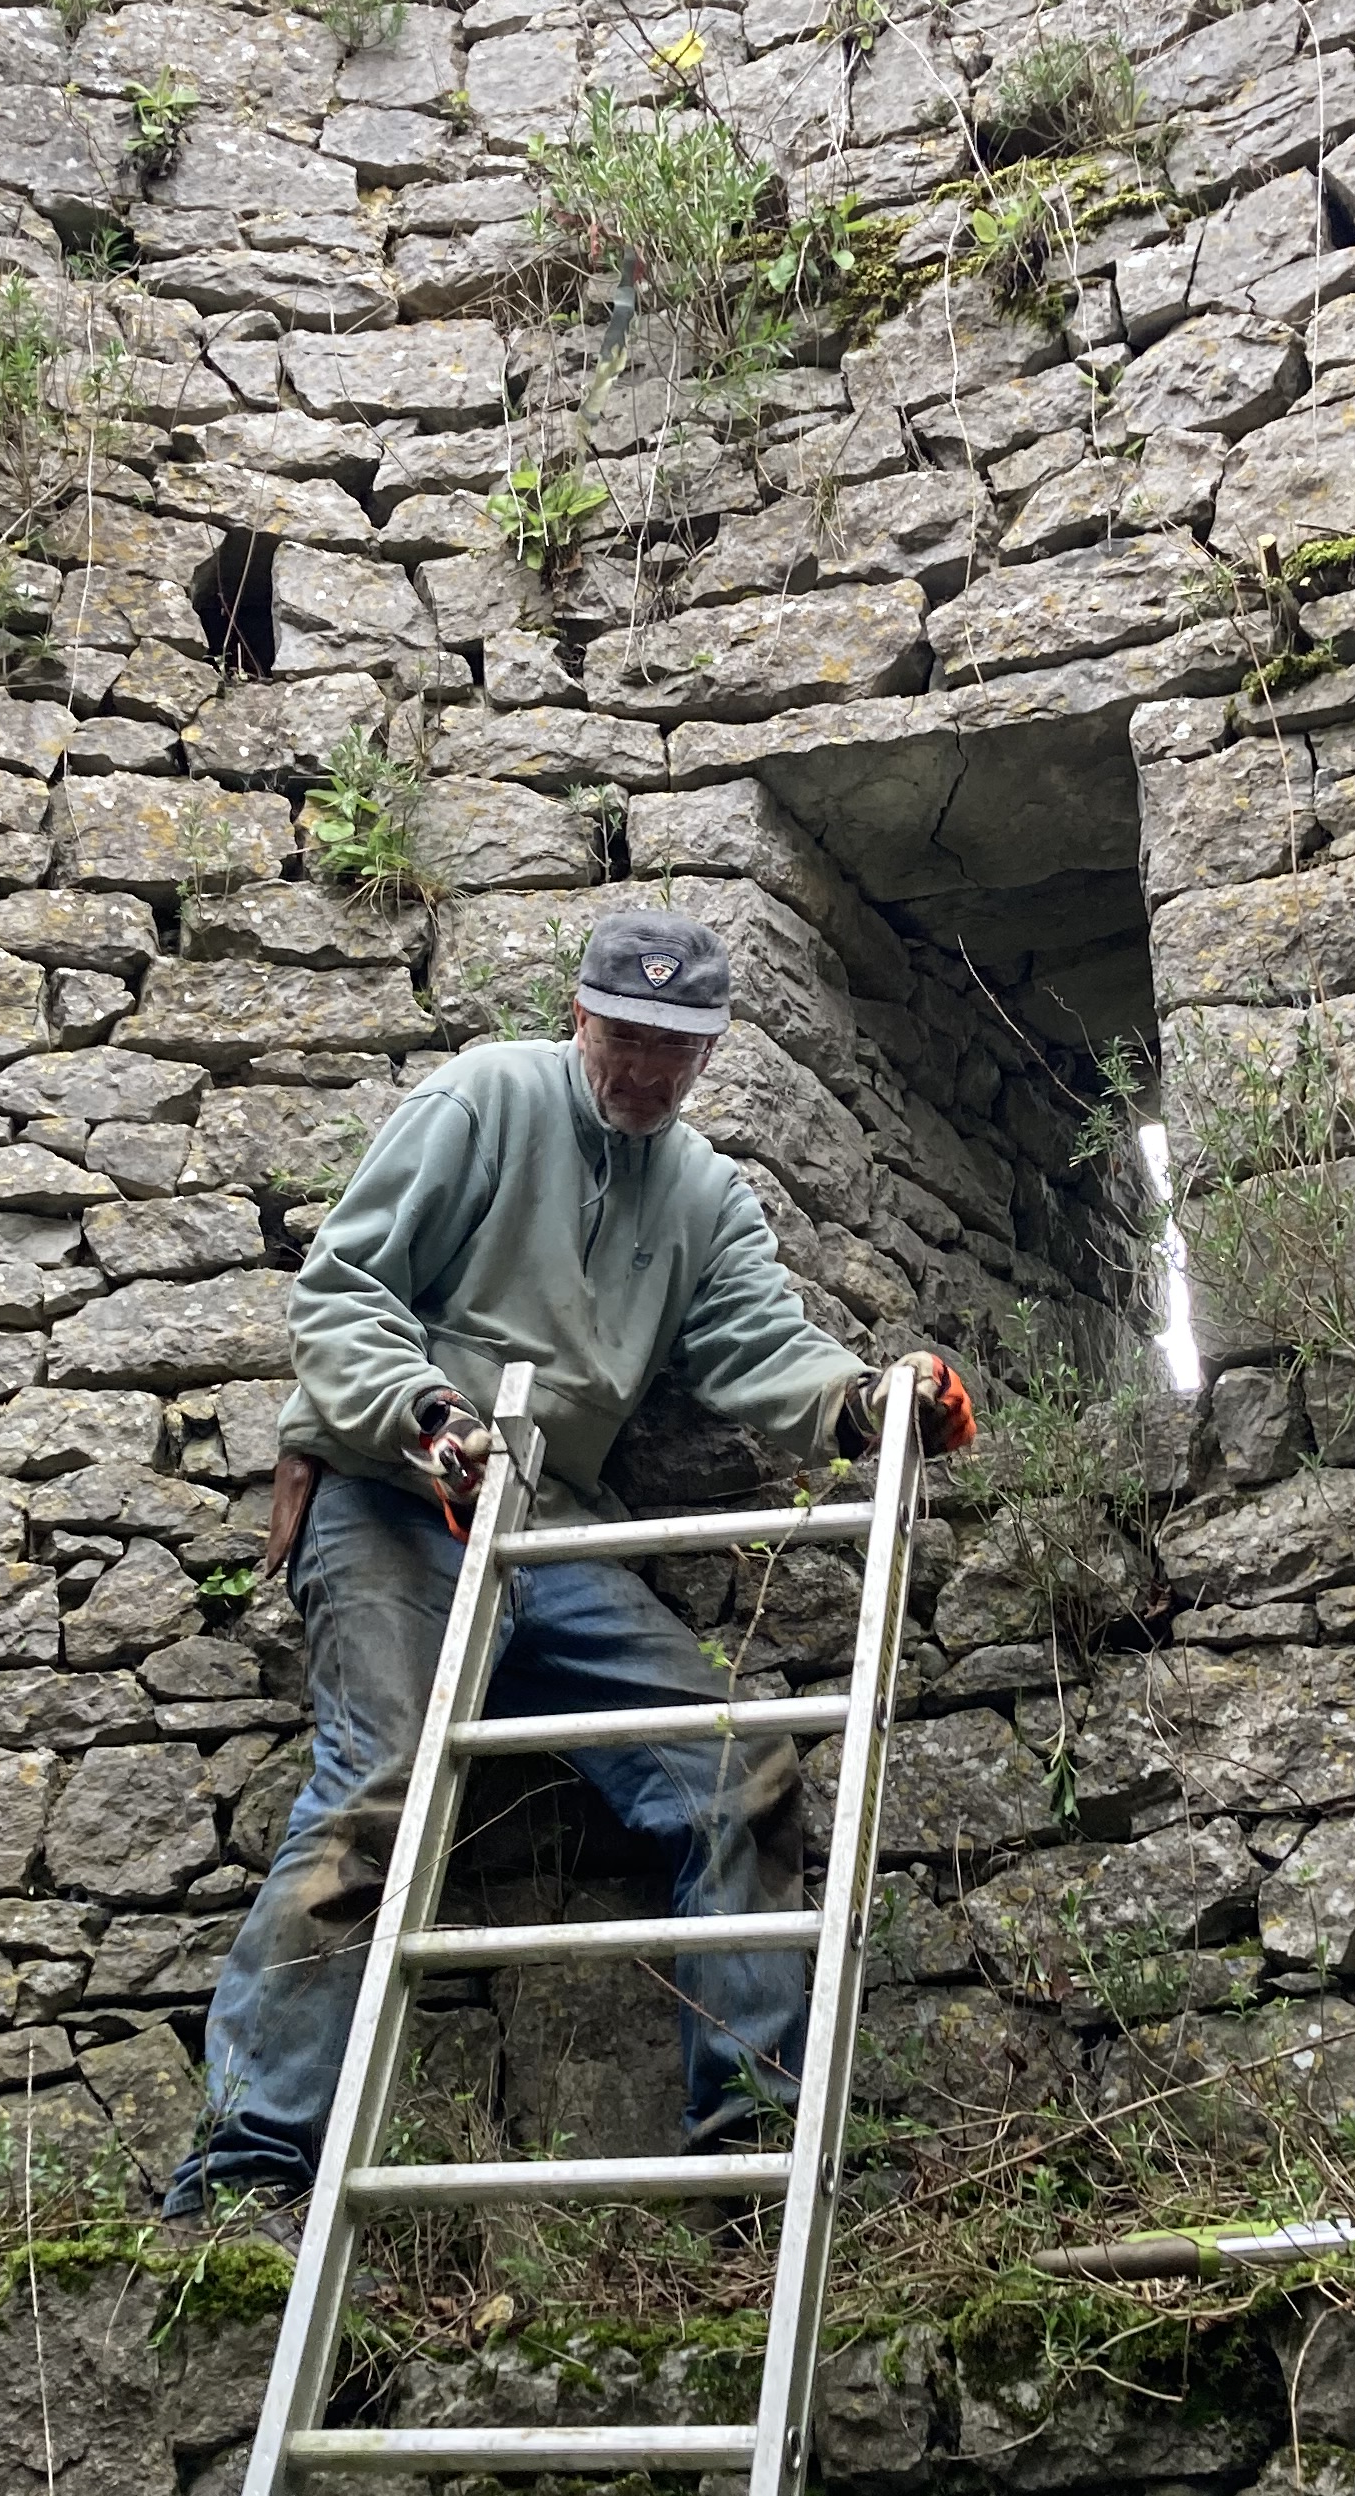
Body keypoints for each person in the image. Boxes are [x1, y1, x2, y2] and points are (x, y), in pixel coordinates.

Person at [162, 905, 978, 2228]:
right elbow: (343, 1289)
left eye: (678, 1048)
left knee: (741, 1768)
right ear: (582, 1016)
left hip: (552, 1530)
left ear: (711, 1052)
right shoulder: (485, 1099)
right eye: (629, 1037)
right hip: (398, 1499)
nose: (648, 1070)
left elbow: (762, 1347)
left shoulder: (705, 1194)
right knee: (378, 1782)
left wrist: (872, 1403)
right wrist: (425, 1416)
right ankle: (247, 2168)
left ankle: (747, 2151)